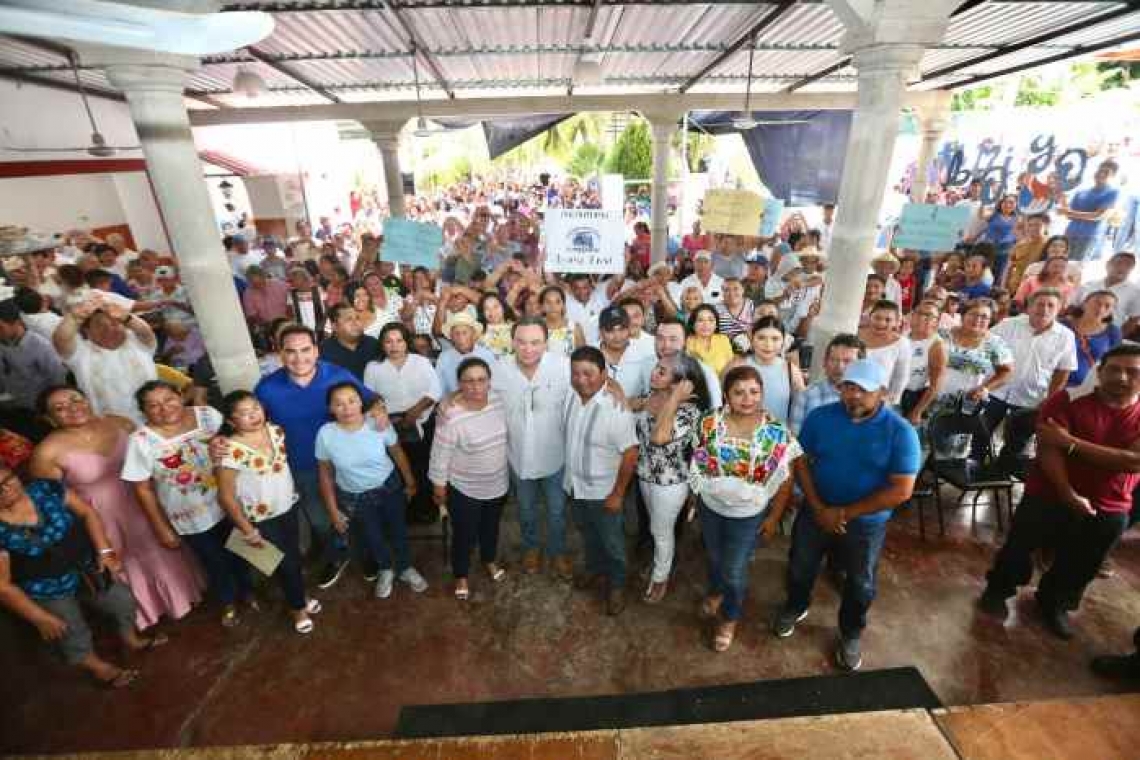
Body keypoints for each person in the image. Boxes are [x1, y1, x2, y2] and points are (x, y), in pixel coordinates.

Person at [979, 345, 1140, 639]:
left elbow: (1134, 462)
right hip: (1051, 488)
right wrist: (1067, 492)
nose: (1123, 377)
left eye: (1133, 372)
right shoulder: (1067, 399)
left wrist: (1072, 444)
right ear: (1100, 372)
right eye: (1115, 369)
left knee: (1084, 561)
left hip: (1111, 502)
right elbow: (1049, 449)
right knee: (1018, 547)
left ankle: (1054, 603)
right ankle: (998, 590)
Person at [774, 360, 921, 671]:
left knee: (859, 582)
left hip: (864, 524)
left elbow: (901, 490)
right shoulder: (821, 417)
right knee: (800, 565)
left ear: (882, 392)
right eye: (848, 388)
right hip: (816, 511)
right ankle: (796, 605)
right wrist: (816, 507)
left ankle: (851, 632)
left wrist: (843, 513)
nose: (854, 396)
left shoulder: (901, 432)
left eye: (863, 390)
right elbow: (799, 460)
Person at [29, 385, 203, 629]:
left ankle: (183, 596)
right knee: (127, 563)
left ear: (87, 399)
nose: (72, 408)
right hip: (101, 515)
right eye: (60, 408)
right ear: (49, 418)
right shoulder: (46, 453)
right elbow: (54, 503)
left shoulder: (119, 422)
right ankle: (144, 614)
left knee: (163, 546)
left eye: (76, 400)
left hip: (143, 498)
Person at [0, 468, 164, 688]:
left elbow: (87, 513)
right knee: (69, 631)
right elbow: (2, 585)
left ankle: (130, 638)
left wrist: (104, 552)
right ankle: (98, 667)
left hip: (85, 564)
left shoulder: (45, 489)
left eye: (7, 480)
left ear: (15, 475)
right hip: (46, 587)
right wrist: (38, 616)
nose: (5, 489)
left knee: (121, 599)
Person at [254, 325, 377, 590]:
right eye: (291, 351)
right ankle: (338, 554)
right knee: (321, 521)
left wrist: (381, 411)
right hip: (302, 468)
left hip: (348, 464)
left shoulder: (337, 376)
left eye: (305, 350)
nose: (299, 358)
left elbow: (371, 401)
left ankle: (365, 553)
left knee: (357, 515)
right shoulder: (267, 388)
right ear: (279, 354)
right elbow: (250, 423)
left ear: (316, 350)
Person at [122, 381, 252, 628]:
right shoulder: (140, 441)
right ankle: (227, 601)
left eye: (169, 399)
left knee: (242, 549)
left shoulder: (208, 415)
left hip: (229, 502)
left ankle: (248, 591)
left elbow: (236, 446)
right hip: (189, 514)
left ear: (181, 396)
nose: (164, 408)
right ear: (144, 411)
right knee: (213, 560)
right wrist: (161, 527)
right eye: (154, 405)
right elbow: (142, 488)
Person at [690, 365, 801, 651]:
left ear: (762, 394)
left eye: (754, 392)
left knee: (734, 570)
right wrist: (695, 501)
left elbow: (785, 480)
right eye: (738, 392)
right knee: (714, 557)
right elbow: (697, 462)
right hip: (711, 508)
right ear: (727, 395)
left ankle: (729, 617)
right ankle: (716, 593)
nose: (747, 398)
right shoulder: (708, 423)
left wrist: (774, 517)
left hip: (747, 516)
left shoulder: (775, 432)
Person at [215, 391, 322, 634]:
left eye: (255, 408)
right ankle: (298, 608)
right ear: (231, 422)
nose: (252, 415)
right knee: (283, 564)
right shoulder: (229, 450)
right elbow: (225, 496)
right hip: (259, 519)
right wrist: (247, 530)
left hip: (288, 506)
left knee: (292, 557)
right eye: (243, 413)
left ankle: (299, 596)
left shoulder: (275, 431)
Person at [316, 383, 428, 600]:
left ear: (361, 402)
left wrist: (410, 481)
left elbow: (397, 453)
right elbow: (325, 474)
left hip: (389, 488)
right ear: (330, 408)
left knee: (398, 531)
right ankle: (386, 569)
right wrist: (332, 510)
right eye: (338, 404)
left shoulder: (378, 424)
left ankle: (405, 568)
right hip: (355, 497)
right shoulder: (325, 434)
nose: (346, 408)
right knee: (373, 536)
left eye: (351, 401)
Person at [492, 318, 573, 579]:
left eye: (535, 342)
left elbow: (589, 390)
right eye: (522, 342)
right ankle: (531, 548)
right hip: (518, 455)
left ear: (546, 343)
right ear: (512, 342)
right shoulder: (499, 369)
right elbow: (480, 395)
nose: (528, 349)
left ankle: (558, 551)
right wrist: (451, 398)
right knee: (525, 509)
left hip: (555, 456)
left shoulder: (563, 367)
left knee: (557, 510)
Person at [565, 346, 639, 616]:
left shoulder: (616, 409)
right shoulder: (571, 397)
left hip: (603, 492)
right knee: (589, 534)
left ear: (603, 374)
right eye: (576, 373)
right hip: (576, 487)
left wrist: (618, 494)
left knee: (612, 542)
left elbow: (631, 454)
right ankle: (595, 569)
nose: (581, 379)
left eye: (589, 373)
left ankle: (617, 585)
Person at [429, 357, 509, 601]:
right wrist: (439, 486)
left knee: (490, 528)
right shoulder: (450, 415)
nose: (476, 386)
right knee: (464, 533)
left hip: (498, 484)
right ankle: (461, 574)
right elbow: (440, 453)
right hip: (465, 489)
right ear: (459, 385)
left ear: (489, 382)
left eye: (481, 380)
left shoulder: (499, 401)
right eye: (469, 381)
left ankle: (489, 560)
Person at [635, 354, 709, 603]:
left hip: (670, 484)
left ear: (681, 382)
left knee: (660, 530)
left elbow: (658, 437)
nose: (654, 373)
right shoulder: (654, 397)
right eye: (656, 368)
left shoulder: (689, 411)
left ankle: (660, 577)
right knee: (653, 527)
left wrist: (676, 398)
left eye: (662, 372)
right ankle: (660, 563)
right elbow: (636, 406)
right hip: (644, 476)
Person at [987, 289, 1077, 475]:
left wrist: (1050, 400)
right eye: (1040, 303)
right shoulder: (1008, 324)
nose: (1044, 309)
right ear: (1029, 306)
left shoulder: (1065, 336)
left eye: (1050, 305)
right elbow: (985, 346)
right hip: (996, 392)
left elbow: (1063, 371)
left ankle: (999, 475)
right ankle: (976, 470)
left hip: (1031, 399)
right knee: (981, 433)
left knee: (1016, 443)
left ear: (1059, 309)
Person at [363, 322, 441, 523]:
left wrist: (414, 412)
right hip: (389, 426)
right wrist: (386, 416)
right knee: (398, 469)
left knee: (423, 468)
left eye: (399, 340)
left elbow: (435, 390)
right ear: (382, 344)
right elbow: (370, 397)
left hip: (421, 422)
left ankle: (426, 508)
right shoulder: (373, 367)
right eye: (388, 341)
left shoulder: (420, 362)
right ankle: (402, 512)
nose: (394, 345)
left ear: (406, 342)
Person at [52, 299, 158, 422]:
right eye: (100, 325)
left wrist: (128, 318)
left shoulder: (138, 343)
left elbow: (145, 330)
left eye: (115, 323)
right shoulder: (81, 354)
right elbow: (61, 339)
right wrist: (73, 317)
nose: (109, 329)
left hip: (157, 419)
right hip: (113, 430)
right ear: (87, 331)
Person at [934, 297, 1014, 415]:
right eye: (973, 314)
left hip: (965, 403)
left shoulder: (995, 344)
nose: (977, 319)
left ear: (990, 321)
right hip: (929, 397)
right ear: (963, 315)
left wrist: (985, 388)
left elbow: (1007, 371)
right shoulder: (942, 334)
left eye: (984, 317)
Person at [726, 316, 804, 425]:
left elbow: (801, 407)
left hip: (776, 436)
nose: (768, 344)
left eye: (775, 339)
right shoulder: (737, 366)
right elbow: (723, 401)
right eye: (761, 338)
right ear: (752, 339)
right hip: (740, 435)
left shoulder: (791, 370)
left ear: (783, 341)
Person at [789, 334, 866, 434]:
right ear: (824, 362)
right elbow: (795, 439)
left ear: (861, 366)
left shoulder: (870, 400)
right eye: (833, 360)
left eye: (847, 361)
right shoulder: (806, 396)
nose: (839, 366)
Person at [1060, 160, 1120, 262]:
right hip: (1070, 232)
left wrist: (1069, 212)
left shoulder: (1113, 192)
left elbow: (1098, 216)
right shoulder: (1081, 192)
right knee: (1061, 261)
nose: (1101, 174)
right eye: (1100, 170)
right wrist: (1063, 200)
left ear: (1112, 176)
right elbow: (1068, 215)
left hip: (1088, 236)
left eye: (1106, 172)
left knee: (1075, 266)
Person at [900, 300, 947, 424]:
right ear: (912, 315)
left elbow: (935, 385)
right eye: (919, 313)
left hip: (910, 399)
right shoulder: (903, 335)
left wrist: (917, 411)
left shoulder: (936, 345)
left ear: (936, 322)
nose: (922, 317)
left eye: (929, 316)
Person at [858, 300, 911, 405]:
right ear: (870, 317)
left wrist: (889, 401)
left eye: (888, 320)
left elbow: (901, 377)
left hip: (879, 401)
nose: (881, 323)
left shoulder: (902, 343)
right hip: (850, 394)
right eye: (877, 318)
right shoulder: (855, 334)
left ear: (896, 322)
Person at [1064, 291, 1121, 388]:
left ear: (1111, 311)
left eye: (1107, 306)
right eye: (1097, 303)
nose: (1101, 308)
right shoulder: (1063, 324)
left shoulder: (1113, 332)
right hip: (1052, 380)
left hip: (1088, 386)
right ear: (1084, 304)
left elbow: (1115, 361)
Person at [435, 311, 498, 397]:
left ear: (473, 334)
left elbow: (495, 385)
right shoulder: (444, 357)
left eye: (465, 333)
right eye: (456, 333)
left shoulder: (487, 355)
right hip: (455, 403)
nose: (461, 338)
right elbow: (438, 388)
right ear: (451, 337)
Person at [597, 304, 651, 397]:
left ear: (629, 329)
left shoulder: (644, 354)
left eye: (622, 329)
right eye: (610, 330)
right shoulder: (588, 355)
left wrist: (638, 403)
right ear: (601, 332)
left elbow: (651, 394)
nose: (617, 336)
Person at [1077, 251, 1140, 328]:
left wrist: (1118, 336)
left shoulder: (1135, 292)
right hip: (1080, 328)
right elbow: (1075, 306)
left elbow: (1134, 319)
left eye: (1128, 265)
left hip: (1107, 334)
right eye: (1119, 263)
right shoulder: (1089, 284)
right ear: (1107, 264)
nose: (1122, 268)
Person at [319, 303, 381, 381]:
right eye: (348, 319)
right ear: (334, 326)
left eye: (357, 318)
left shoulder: (373, 344)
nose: (355, 323)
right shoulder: (323, 352)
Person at [685, 304, 734, 375]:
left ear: (716, 325)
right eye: (700, 320)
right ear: (693, 324)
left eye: (711, 320)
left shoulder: (723, 339)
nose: (706, 324)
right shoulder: (687, 341)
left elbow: (731, 366)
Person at [539, 285, 585, 357]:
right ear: (542, 306)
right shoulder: (536, 328)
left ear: (563, 305)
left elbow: (583, 357)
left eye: (557, 302)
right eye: (548, 302)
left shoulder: (575, 328)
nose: (553, 306)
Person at [714, 278, 755, 352]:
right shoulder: (715, 308)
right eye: (726, 290)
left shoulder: (752, 305)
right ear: (722, 292)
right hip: (724, 350)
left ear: (743, 290)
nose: (731, 293)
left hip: (750, 349)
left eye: (736, 289)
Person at [477, 291, 516, 361]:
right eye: (486, 308)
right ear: (482, 313)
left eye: (496, 306)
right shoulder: (478, 330)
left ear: (503, 307)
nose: (492, 311)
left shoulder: (516, 328)